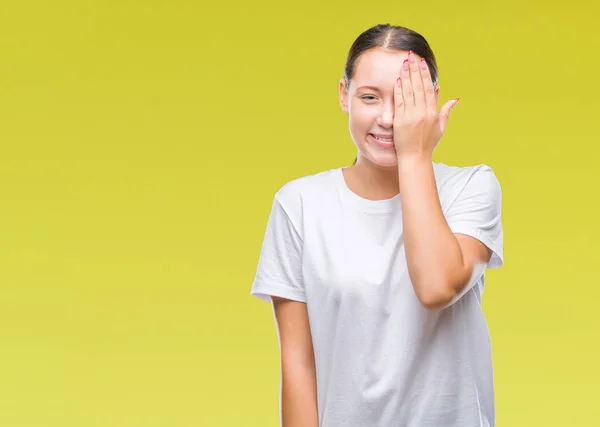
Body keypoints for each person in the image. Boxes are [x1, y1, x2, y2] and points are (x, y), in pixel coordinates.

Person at [250, 23, 504, 427]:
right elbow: (298, 363)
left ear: (431, 100)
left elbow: (437, 286)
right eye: (369, 97)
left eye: (404, 100)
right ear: (344, 96)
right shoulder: (299, 204)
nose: (388, 118)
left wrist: (415, 155)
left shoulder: (471, 187)